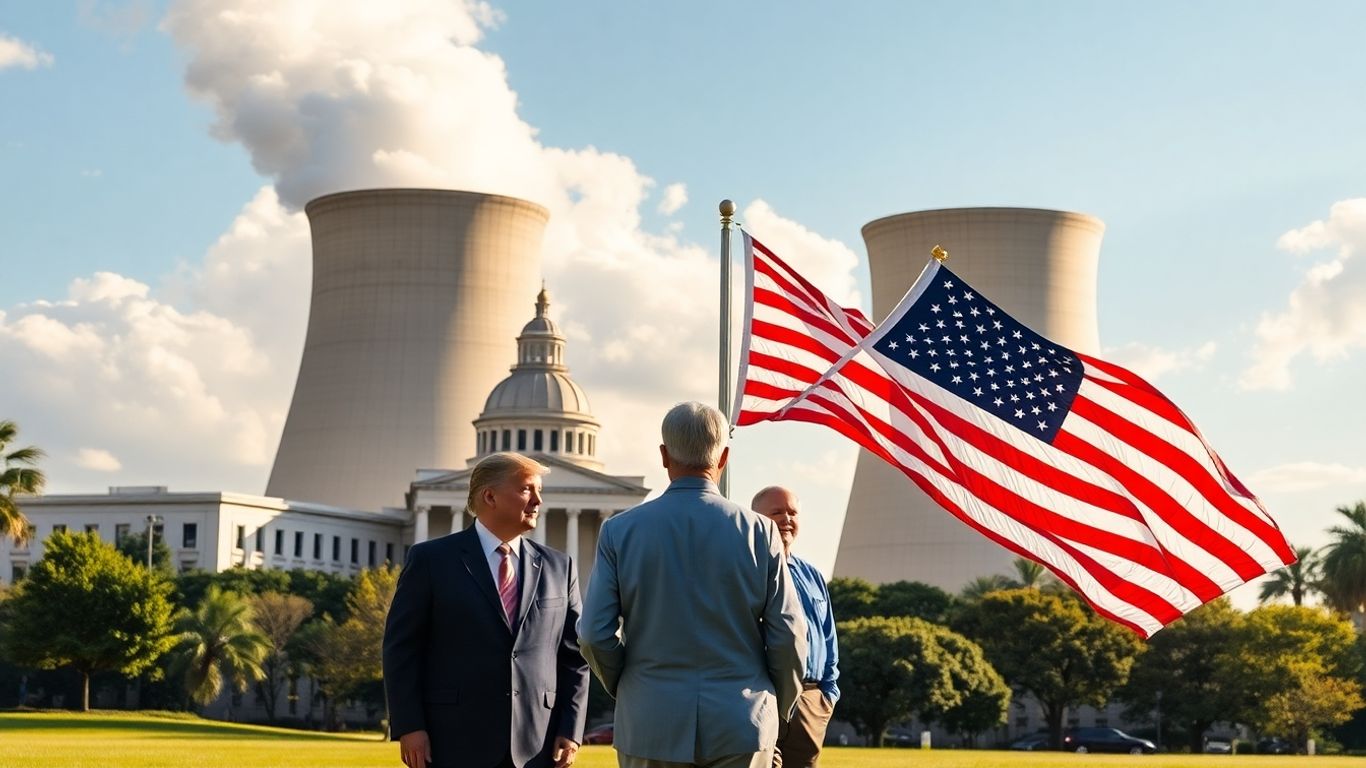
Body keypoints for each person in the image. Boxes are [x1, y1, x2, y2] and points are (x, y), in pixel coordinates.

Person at [579, 401, 807, 768]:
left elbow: (592, 633)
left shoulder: (619, 531)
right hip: (743, 720)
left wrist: (631, 684)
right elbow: (789, 633)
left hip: (650, 719)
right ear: (724, 458)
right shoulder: (761, 531)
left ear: (664, 456)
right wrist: (777, 701)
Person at [383, 452, 589, 768]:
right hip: (452, 741)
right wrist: (410, 726)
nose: (537, 501)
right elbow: (402, 650)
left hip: (538, 745)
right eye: (526, 490)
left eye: (539, 492)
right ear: (489, 496)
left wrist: (571, 729)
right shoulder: (431, 561)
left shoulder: (560, 567)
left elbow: (574, 657)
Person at [751, 487, 840, 768]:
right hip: (763, 696)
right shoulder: (745, 570)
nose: (786, 518)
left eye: (792, 512)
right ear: (756, 519)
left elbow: (828, 637)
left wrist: (827, 695)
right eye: (776, 512)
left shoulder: (812, 575)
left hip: (810, 702)